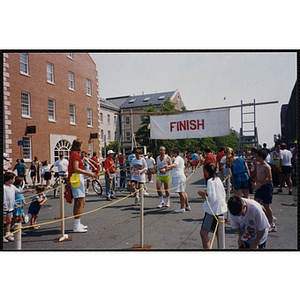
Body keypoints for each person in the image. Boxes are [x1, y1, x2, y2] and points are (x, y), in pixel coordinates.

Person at [68, 139, 96, 232]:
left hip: (76, 178)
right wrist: (89, 174)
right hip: (76, 178)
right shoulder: (75, 154)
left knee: (78, 202)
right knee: (81, 202)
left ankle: (78, 223)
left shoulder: (73, 154)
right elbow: (76, 169)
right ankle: (76, 225)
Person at [198, 162, 227, 249]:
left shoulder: (210, 181)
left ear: (206, 171)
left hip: (212, 211)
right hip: (220, 209)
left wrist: (202, 194)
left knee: (203, 233)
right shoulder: (218, 179)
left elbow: (212, 198)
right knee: (218, 232)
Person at [3, 173, 34, 242]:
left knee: (9, 221)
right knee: (4, 222)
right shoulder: (4, 187)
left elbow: (20, 192)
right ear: (10, 180)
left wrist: (28, 190)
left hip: (10, 207)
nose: (14, 180)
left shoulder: (12, 187)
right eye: (13, 178)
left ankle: (7, 234)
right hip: (4, 207)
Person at [251, 150, 276, 232]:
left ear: (261, 157)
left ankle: (272, 223)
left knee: (266, 205)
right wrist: (255, 183)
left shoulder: (266, 166)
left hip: (266, 186)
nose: (255, 157)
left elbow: (270, 179)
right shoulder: (258, 164)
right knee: (256, 203)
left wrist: (259, 185)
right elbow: (258, 176)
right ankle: (267, 218)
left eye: (257, 156)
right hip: (260, 186)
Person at [164, 147, 189, 213]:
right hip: (179, 176)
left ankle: (182, 207)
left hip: (179, 177)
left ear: (175, 153)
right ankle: (187, 206)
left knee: (181, 192)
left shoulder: (178, 158)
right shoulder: (177, 158)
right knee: (183, 191)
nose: (171, 154)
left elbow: (175, 165)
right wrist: (167, 169)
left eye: (172, 153)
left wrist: (168, 166)